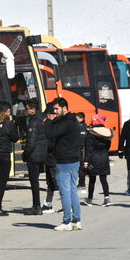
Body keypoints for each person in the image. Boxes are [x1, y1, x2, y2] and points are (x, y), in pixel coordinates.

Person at [44, 98, 82, 231]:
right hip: (74, 160)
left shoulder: (66, 123)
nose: (54, 111)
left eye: (56, 109)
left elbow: (49, 133)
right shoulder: (73, 121)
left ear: (64, 108)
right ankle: (76, 220)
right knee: (72, 191)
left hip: (64, 161)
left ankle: (66, 221)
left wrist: (48, 122)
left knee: (64, 192)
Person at [22, 99, 48, 216]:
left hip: (34, 155)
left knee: (34, 182)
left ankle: (36, 206)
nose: (26, 111)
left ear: (33, 109)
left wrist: (25, 154)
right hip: (43, 153)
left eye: (28, 108)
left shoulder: (33, 122)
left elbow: (31, 142)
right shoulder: (43, 118)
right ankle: (44, 203)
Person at [83, 114, 114, 207]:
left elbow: (89, 148)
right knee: (104, 179)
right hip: (104, 157)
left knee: (92, 180)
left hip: (93, 158)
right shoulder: (108, 132)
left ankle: (89, 199)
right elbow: (108, 146)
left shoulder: (91, 132)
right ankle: (107, 198)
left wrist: (86, 161)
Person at [41, 103, 58, 214]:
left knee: (58, 182)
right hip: (49, 158)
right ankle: (48, 203)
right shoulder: (51, 125)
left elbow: (52, 143)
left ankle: (68, 205)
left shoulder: (54, 126)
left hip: (55, 159)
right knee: (50, 182)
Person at [75, 112, 88, 190]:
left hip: (82, 150)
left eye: (77, 118)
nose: (76, 120)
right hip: (77, 149)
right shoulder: (76, 126)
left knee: (81, 167)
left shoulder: (85, 127)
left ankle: (82, 183)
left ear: (81, 119)